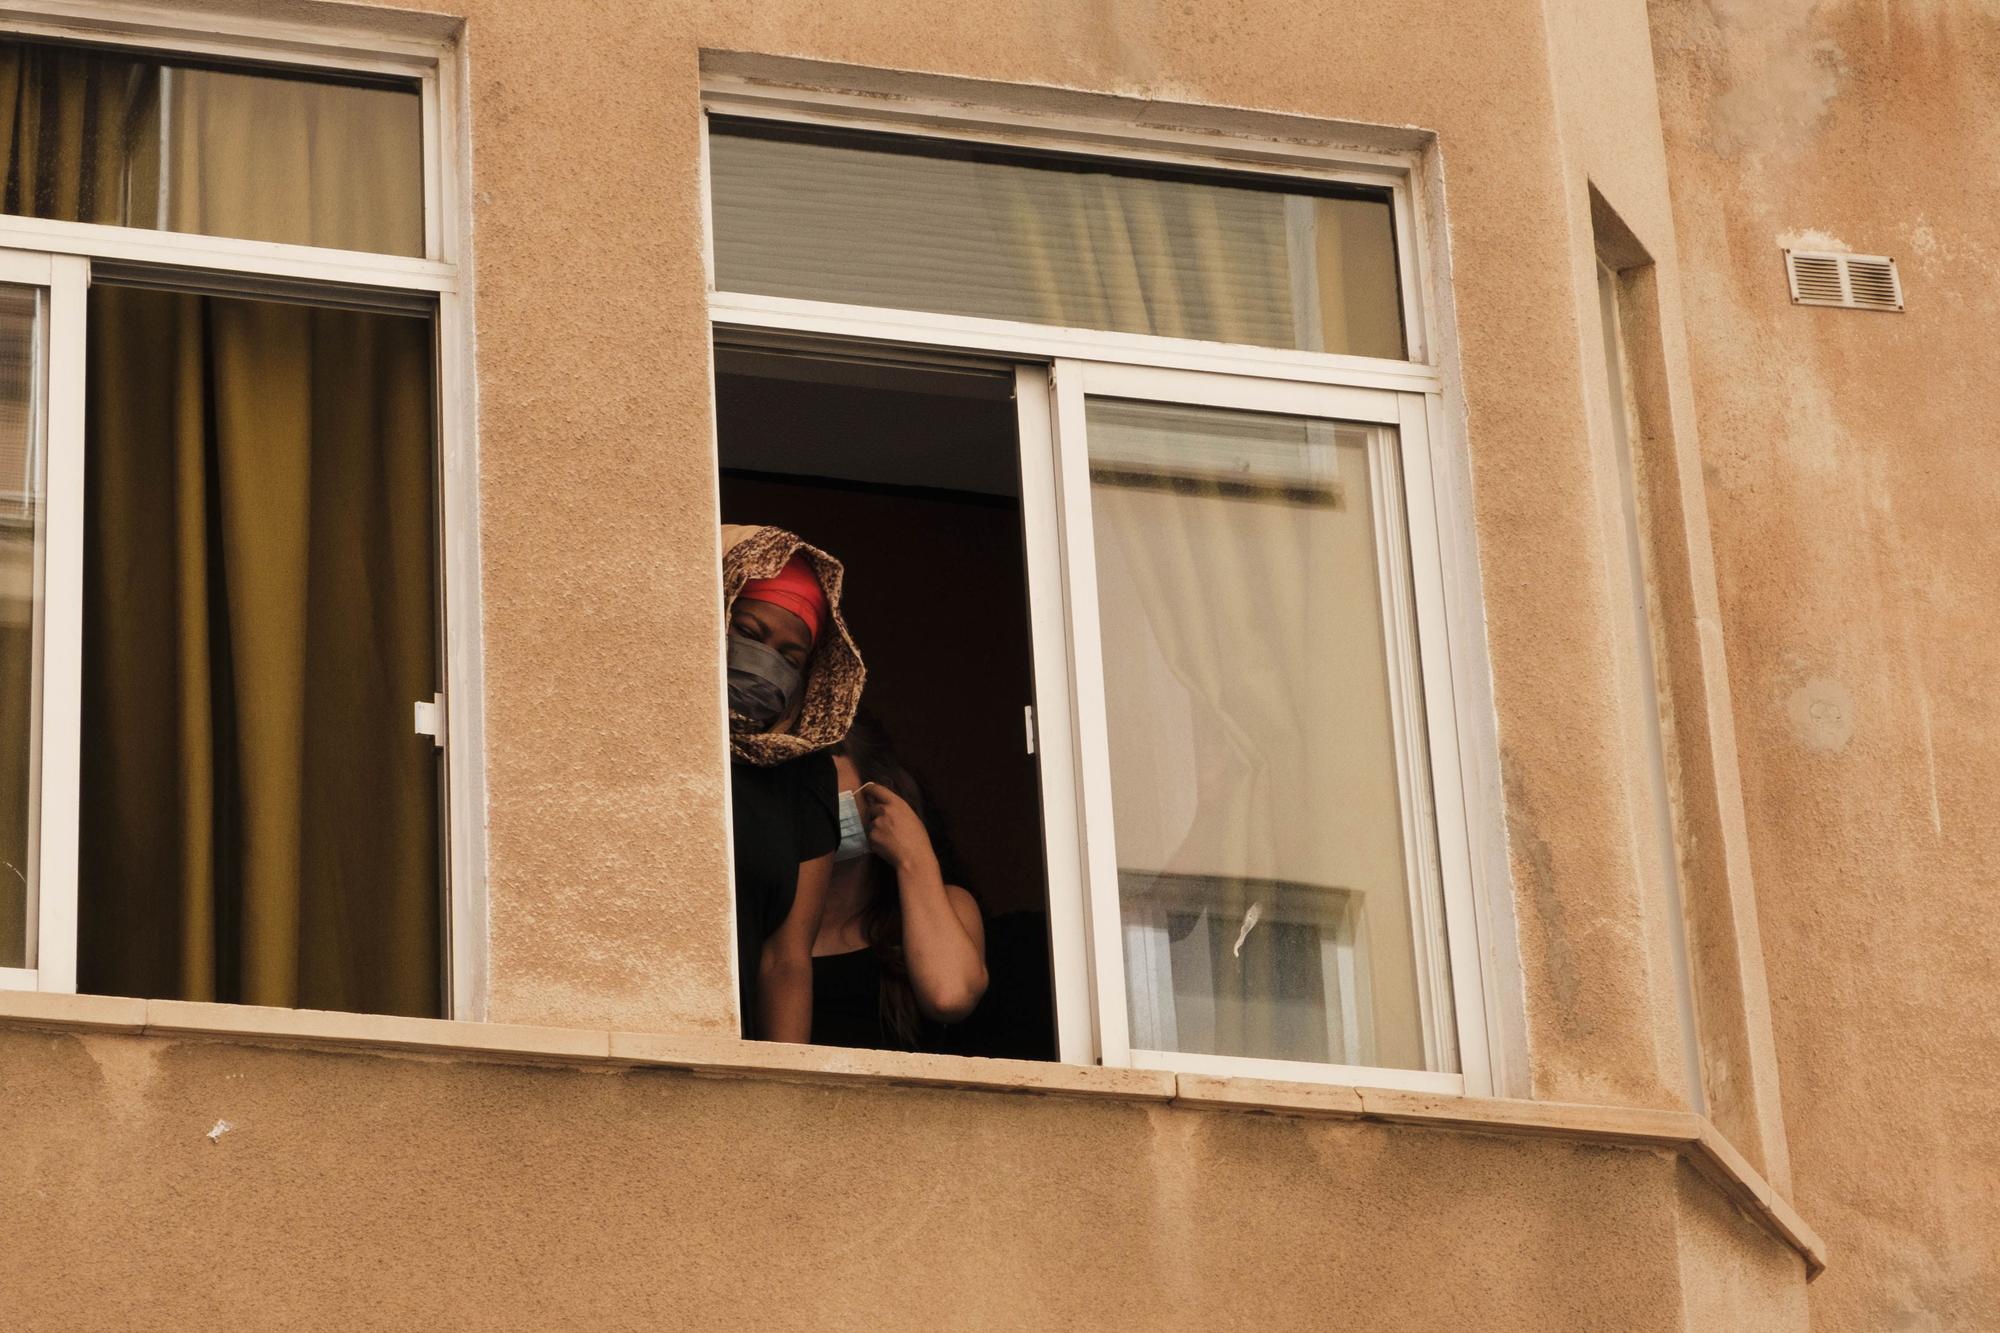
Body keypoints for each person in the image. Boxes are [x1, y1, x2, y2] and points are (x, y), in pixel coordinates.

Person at [721, 524, 864, 1042]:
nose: (765, 663)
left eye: (790, 656)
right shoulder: (657, 741)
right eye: (748, 634)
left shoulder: (805, 777)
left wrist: (782, 1103)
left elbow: (786, 962)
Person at [813, 712, 987, 1051]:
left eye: (820, 777)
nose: (805, 799)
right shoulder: (766, 920)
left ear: (877, 794)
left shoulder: (947, 904)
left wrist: (914, 857)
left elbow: (949, 996)